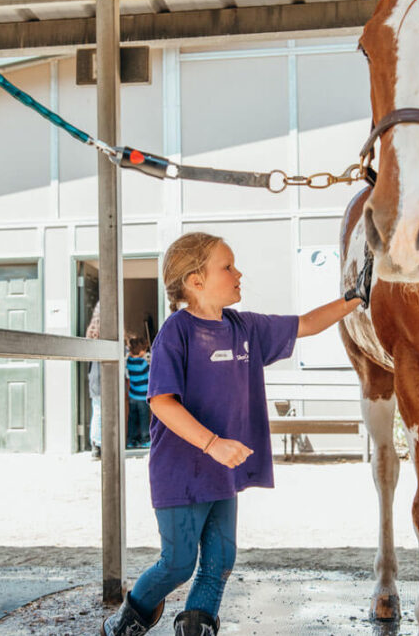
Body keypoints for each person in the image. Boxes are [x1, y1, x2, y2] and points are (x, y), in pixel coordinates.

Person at [103, 232, 361, 636]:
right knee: (177, 563)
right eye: (227, 266)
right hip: (181, 473)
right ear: (195, 280)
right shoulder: (177, 332)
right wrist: (212, 443)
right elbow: (162, 402)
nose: (239, 273)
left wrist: (356, 297)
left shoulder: (245, 327)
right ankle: (127, 621)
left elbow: (307, 324)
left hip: (223, 473)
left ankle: (196, 626)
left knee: (220, 560)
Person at [125, 335, 151, 449]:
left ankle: (131, 440)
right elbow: (151, 374)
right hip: (143, 397)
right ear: (141, 351)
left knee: (132, 419)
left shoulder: (129, 362)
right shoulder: (143, 364)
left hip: (132, 396)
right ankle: (145, 440)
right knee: (144, 419)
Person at [86, 302, 103, 459]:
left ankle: (96, 444)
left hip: (93, 377)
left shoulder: (90, 332)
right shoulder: (108, 332)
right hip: (102, 377)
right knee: (101, 411)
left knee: (97, 410)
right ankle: (98, 445)